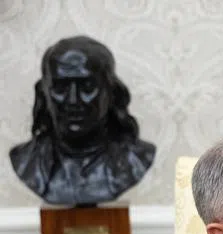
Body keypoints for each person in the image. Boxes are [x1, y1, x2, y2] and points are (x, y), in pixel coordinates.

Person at [9, 35, 155, 206]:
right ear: (44, 93)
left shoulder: (136, 158)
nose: (73, 100)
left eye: (87, 87)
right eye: (60, 88)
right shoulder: (27, 161)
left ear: (111, 91)